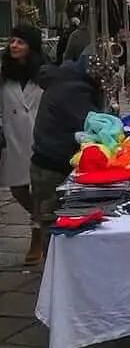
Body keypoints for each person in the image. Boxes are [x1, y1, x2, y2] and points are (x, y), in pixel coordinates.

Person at [30, 47, 104, 256]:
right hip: (52, 166)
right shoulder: (73, 89)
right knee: (53, 223)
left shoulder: (69, 80)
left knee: (51, 219)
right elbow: (93, 123)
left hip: (50, 161)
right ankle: (54, 274)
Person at [0, 25, 46, 265]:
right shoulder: (4, 73)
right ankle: (42, 219)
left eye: (20, 42)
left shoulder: (44, 73)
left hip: (39, 137)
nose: (14, 45)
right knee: (18, 188)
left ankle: (37, 235)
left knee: (38, 189)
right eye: (12, 41)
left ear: (31, 46)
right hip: (13, 137)